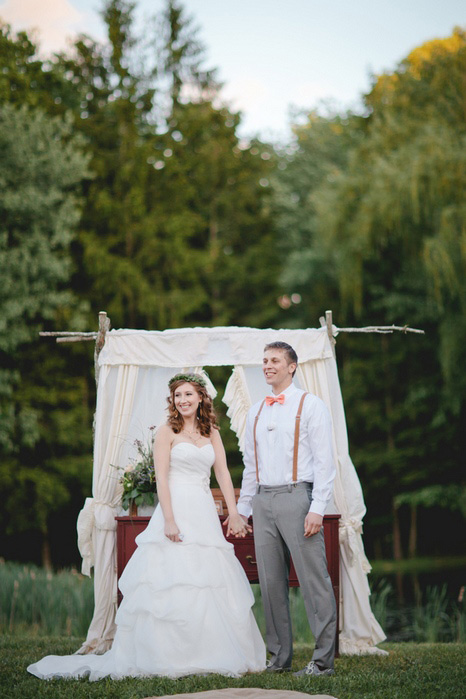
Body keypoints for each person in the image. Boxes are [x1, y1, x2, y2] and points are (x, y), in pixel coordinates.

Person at [27, 373, 266, 681]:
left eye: (188, 394)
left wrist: (233, 513)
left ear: (201, 398)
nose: (182, 400)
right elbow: (162, 478)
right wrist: (168, 519)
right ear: (173, 400)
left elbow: (222, 473)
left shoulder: (212, 432)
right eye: (177, 395)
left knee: (206, 580)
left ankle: (209, 651)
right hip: (176, 506)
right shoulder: (167, 432)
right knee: (171, 580)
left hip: (203, 510)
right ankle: (169, 653)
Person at [236, 342, 337, 677]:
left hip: (298, 498)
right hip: (263, 501)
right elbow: (251, 467)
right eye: (264, 360)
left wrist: (317, 507)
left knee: (313, 581)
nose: (267, 365)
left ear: (292, 366)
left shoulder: (311, 405)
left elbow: (325, 462)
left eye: (275, 360)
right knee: (270, 583)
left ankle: (322, 662)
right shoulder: (255, 411)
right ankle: (279, 659)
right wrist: (243, 509)